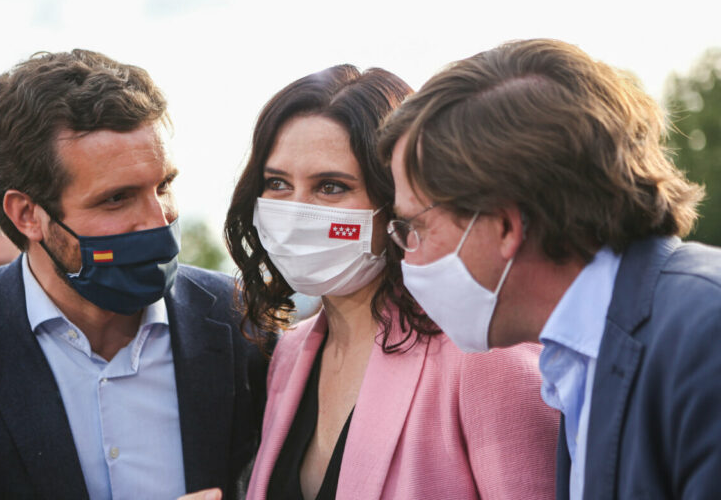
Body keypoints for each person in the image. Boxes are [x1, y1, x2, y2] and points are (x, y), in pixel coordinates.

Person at [379, 38, 718, 499]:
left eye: (415, 226)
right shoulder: (579, 359)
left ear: (504, 225)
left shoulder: (704, 333)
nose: (407, 255)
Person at [224, 64, 558, 500]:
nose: (297, 213)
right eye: (277, 183)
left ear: (397, 199)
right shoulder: (289, 353)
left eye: (330, 186)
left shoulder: (484, 355)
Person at [0, 50, 267, 500]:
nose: (158, 221)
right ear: (27, 215)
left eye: (162, 186)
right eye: (117, 199)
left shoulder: (243, 324)